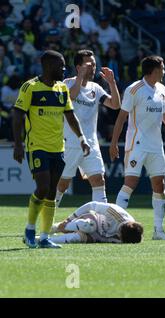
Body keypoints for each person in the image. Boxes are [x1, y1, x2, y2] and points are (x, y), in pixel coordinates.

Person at [109, 55, 165, 240]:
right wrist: (114, 143)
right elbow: (121, 118)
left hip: (156, 146)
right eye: (162, 68)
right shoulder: (134, 89)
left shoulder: (161, 89)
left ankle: (159, 230)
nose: (164, 71)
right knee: (130, 183)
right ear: (153, 70)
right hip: (136, 144)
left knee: (159, 184)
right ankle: (115, 229)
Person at [12, 50, 90, 248]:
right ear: (47, 67)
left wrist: (82, 138)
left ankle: (45, 236)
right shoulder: (30, 87)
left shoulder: (62, 89)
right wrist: (18, 143)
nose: (64, 69)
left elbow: (70, 116)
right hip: (36, 146)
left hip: (58, 147)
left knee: (51, 193)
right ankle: (30, 229)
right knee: (43, 186)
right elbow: (18, 115)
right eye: (60, 66)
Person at [55, 50, 120, 207]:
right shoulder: (66, 83)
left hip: (91, 143)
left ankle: (100, 221)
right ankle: (46, 219)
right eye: (89, 65)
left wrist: (112, 83)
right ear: (78, 67)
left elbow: (115, 105)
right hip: (69, 142)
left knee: (99, 179)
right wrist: (80, 79)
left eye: (94, 65)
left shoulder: (95, 88)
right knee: (62, 184)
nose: (93, 68)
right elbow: (70, 98)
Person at [50, 201, 143, 244]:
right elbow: (91, 205)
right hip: (93, 220)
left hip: (97, 236)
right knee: (88, 226)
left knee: (75, 238)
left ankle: (44, 240)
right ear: (121, 230)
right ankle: (55, 228)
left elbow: (104, 240)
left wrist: (90, 239)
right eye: (120, 236)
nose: (118, 238)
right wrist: (69, 219)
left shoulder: (131, 237)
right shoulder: (115, 213)